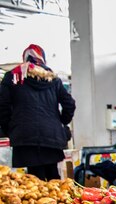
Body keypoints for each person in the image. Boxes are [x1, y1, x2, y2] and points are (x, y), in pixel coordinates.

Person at [0, 44, 76, 180]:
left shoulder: (13, 77)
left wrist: (9, 129)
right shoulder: (53, 79)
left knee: (35, 184)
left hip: (25, 137)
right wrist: (60, 122)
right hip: (51, 136)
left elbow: (2, 106)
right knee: (54, 180)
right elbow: (69, 104)